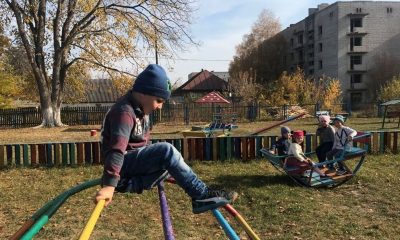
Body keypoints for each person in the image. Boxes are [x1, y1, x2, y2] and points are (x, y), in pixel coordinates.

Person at [95, 64, 238, 214]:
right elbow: (116, 150)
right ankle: (200, 195)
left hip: (131, 165)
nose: (160, 107)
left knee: (169, 165)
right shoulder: (124, 112)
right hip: (121, 163)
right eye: (158, 100)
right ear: (143, 93)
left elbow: (142, 144)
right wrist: (109, 184)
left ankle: (128, 184)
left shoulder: (141, 110)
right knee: (166, 151)